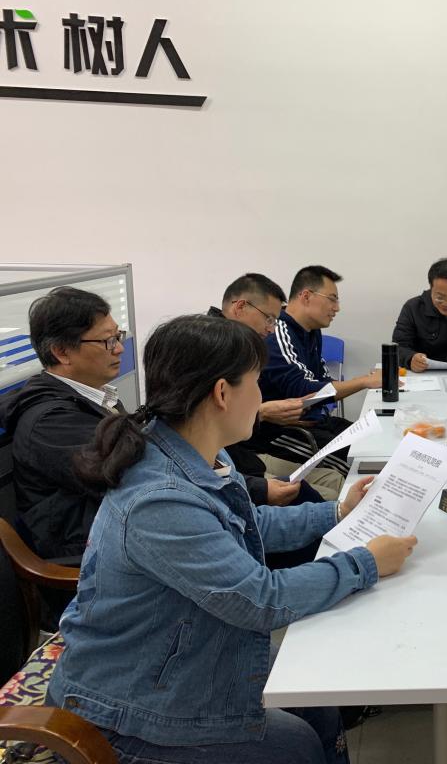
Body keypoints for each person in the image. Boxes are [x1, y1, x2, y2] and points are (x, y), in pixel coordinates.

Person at [46, 314, 417, 764]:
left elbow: (248, 523)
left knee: (316, 698)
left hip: (180, 652)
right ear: (222, 393)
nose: (262, 398)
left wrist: (337, 511)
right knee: (297, 744)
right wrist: (366, 563)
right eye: (257, 383)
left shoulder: (195, 451)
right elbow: (261, 600)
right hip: (125, 709)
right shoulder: (159, 499)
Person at [0, 287, 126, 560]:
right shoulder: (51, 422)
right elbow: (127, 476)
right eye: (108, 341)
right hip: (87, 551)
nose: (119, 348)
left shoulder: (95, 396)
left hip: (111, 522)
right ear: (61, 352)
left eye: (118, 336)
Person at [211, 273, 343, 504]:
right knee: (328, 496)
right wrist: (262, 413)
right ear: (240, 307)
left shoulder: (241, 347)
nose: (271, 329)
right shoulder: (210, 348)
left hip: (244, 458)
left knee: (334, 480)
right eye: (268, 319)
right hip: (237, 462)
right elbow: (207, 427)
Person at [256, 265, 382, 476]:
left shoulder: (312, 332)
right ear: (306, 296)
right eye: (332, 299)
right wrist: (364, 381)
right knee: (359, 465)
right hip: (280, 433)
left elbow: (321, 380)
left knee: (374, 442)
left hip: (315, 421)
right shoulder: (279, 332)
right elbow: (305, 389)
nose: (337, 308)